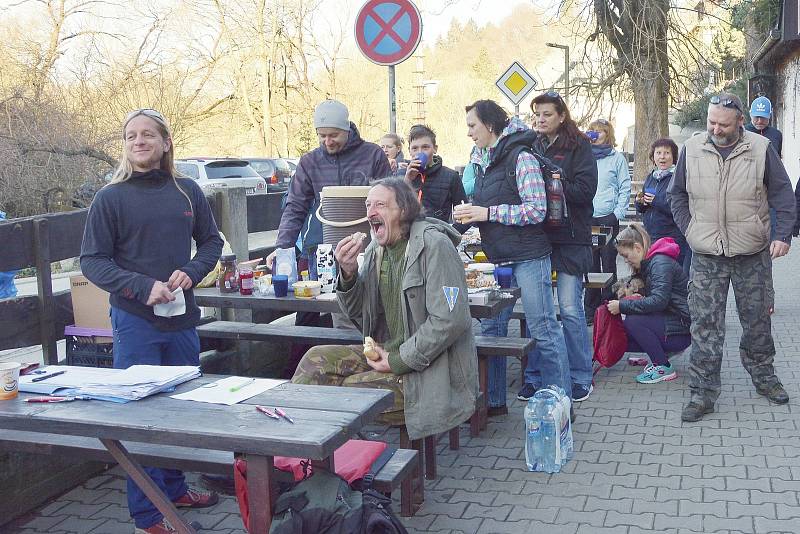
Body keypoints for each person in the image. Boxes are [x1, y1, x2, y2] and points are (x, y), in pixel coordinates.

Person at [80, 108, 224, 534]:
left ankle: (175, 488)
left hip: (181, 321)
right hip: (135, 320)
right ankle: (148, 516)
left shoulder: (187, 191)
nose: (138, 141)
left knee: (181, 410)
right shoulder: (111, 198)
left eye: (147, 135)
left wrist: (192, 272)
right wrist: (142, 287)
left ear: (165, 143)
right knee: (142, 414)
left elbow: (212, 242)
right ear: (125, 146)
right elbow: (92, 262)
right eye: (130, 136)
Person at [292, 178, 479, 440]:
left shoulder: (434, 246)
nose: (370, 212)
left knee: (345, 393)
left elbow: (450, 320)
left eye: (380, 204)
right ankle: (297, 449)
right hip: (385, 352)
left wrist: (397, 360)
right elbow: (357, 313)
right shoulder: (374, 250)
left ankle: (337, 462)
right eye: (368, 205)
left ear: (403, 210)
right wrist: (347, 273)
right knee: (315, 361)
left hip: (429, 370)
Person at [668, 92, 796, 422]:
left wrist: (782, 235)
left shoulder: (761, 148)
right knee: (705, 324)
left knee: (756, 320)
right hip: (707, 253)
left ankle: (765, 378)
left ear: (741, 121)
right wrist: (691, 230)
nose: (716, 128)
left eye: (723, 124)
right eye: (711, 122)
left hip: (752, 252)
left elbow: (783, 194)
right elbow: (677, 196)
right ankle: (702, 391)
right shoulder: (692, 149)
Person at [454, 99, 571, 408]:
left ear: (490, 125)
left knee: (543, 328)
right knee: (491, 330)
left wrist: (486, 212)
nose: (469, 133)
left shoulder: (522, 157)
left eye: (472, 126)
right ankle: (492, 404)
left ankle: (562, 402)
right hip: (496, 258)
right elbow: (484, 208)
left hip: (529, 257)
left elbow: (536, 210)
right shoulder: (481, 160)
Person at [269, 99, 392, 374]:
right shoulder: (310, 162)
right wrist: (283, 247)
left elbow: (389, 199)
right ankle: (299, 373)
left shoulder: (372, 155)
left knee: (366, 307)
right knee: (309, 311)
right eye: (322, 136)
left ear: (347, 129)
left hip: (367, 248)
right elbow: (295, 206)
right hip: (320, 249)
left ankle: (369, 367)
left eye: (333, 135)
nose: (328, 141)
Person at [529, 91, 597, 402]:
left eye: (546, 114)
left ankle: (581, 376)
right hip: (538, 238)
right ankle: (539, 376)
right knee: (540, 312)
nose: (540, 120)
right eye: (537, 114)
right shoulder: (530, 145)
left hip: (572, 238)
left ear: (561, 116)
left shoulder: (579, 146)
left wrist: (551, 182)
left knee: (570, 310)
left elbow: (585, 191)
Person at [607, 224, 691, 383]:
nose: (626, 261)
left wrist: (622, 306)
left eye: (626, 255)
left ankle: (662, 366)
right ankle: (657, 355)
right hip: (675, 322)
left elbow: (659, 301)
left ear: (638, 248)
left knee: (634, 321)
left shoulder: (660, 264)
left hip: (681, 330)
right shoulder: (652, 262)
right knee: (628, 330)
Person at [585, 118, 630, 319]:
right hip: (588, 219)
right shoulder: (585, 156)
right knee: (590, 265)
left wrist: (617, 214)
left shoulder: (616, 158)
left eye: (600, 131)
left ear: (608, 134)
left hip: (607, 219)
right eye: (592, 130)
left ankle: (609, 308)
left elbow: (624, 187)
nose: (595, 134)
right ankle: (590, 309)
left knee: (609, 264)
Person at [746, 95, 784, 313]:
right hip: (749, 194)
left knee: (765, 256)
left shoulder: (776, 135)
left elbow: (777, 161)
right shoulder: (745, 132)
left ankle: (767, 300)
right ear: (751, 116)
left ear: (770, 117)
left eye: (764, 118)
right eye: (757, 118)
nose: (760, 122)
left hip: (768, 196)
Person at [635, 138, 691, 276]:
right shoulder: (651, 177)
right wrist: (640, 203)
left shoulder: (678, 177)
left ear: (674, 157)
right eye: (658, 153)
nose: (662, 157)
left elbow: (679, 207)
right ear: (653, 157)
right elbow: (644, 206)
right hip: (651, 235)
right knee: (654, 274)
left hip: (673, 236)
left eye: (667, 153)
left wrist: (655, 201)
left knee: (671, 275)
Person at [403, 124, 468, 222]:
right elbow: (394, 211)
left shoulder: (451, 176)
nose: (420, 152)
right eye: (415, 148)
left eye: (425, 147)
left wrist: (448, 234)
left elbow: (465, 217)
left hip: (437, 234)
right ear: (409, 151)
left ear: (435, 148)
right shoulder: (402, 175)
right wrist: (407, 181)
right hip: (409, 235)